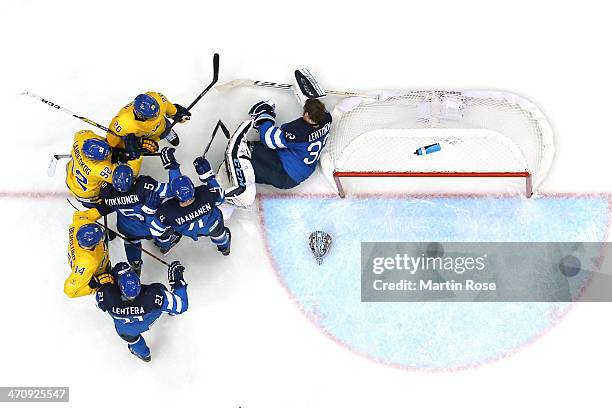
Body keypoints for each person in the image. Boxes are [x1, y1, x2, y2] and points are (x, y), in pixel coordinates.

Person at [95, 163, 180, 275]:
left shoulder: (107, 194)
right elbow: (173, 190)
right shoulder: (144, 186)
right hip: (150, 226)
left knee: (130, 239)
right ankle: (164, 245)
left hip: (127, 227)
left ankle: (135, 263)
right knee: (165, 227)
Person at [95, 261, 188, 362]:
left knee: (133, 340)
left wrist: (106, 284)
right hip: (150, 319)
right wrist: (177, 281)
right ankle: (170, 311)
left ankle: (145, 355)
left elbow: (98, 303)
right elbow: (182, 306)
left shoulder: (107, 296)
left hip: (126, 329)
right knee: (160, 287)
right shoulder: (153, 296)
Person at [149, 148, 231, 255]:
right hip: (212, 225)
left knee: (165, 230)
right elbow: (221, 198)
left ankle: (165, 246)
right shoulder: (205, 193)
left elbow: (155, 231)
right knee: (219, 232)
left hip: (187, 231)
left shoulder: (167, 211)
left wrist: (173, 167)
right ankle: (224, 247)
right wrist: (208, 176)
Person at [247, 98, 332, 189]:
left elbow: (269, 139)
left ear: (307, 114)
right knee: (255, 155)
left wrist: (264, 117)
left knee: (247, 158)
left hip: (286, 174)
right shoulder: (327, 119)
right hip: (300, 168)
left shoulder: (299, 132)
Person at [65, 130, 141, 207]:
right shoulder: (99, 169)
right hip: (88, 195)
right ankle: (97, 206)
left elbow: (79, 133)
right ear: (94, 160)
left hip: (71, 179)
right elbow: (128, 176)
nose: (108, 154)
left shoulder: (81, 139)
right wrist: (135, 156)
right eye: (106, 156)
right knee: (122, 186)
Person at [106, 92, 191, 158]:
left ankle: (167, 132)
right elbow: (112, 139)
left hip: (162, 125)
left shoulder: (159, 99)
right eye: (152, 116)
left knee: (166, 127)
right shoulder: (123, 122)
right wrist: (127, 146)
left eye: (157, 112)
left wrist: (177, 113)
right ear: (139, 114)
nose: (156, 116)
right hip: (145, 137)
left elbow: (170, 109)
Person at [65, 209, 114, 298]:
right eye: (101, 239)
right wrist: (93, 285)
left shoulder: (78, 224)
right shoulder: (86, 263)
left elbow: (79, 214)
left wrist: (103, 208)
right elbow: (69, 291)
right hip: (97, 271)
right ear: (92, 245)